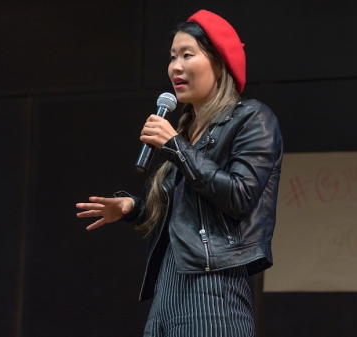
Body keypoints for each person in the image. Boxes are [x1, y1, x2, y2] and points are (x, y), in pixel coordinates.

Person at [76, 9, 283, 337]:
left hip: (213, 292)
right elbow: (184, 217)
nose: (175, 66)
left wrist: (175, 145)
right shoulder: (186, 133)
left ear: (220, 62)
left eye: (188, 55)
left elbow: (240, 196)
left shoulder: (252, 119)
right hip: (166, 293)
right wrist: (133, 208)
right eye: (172, 57)